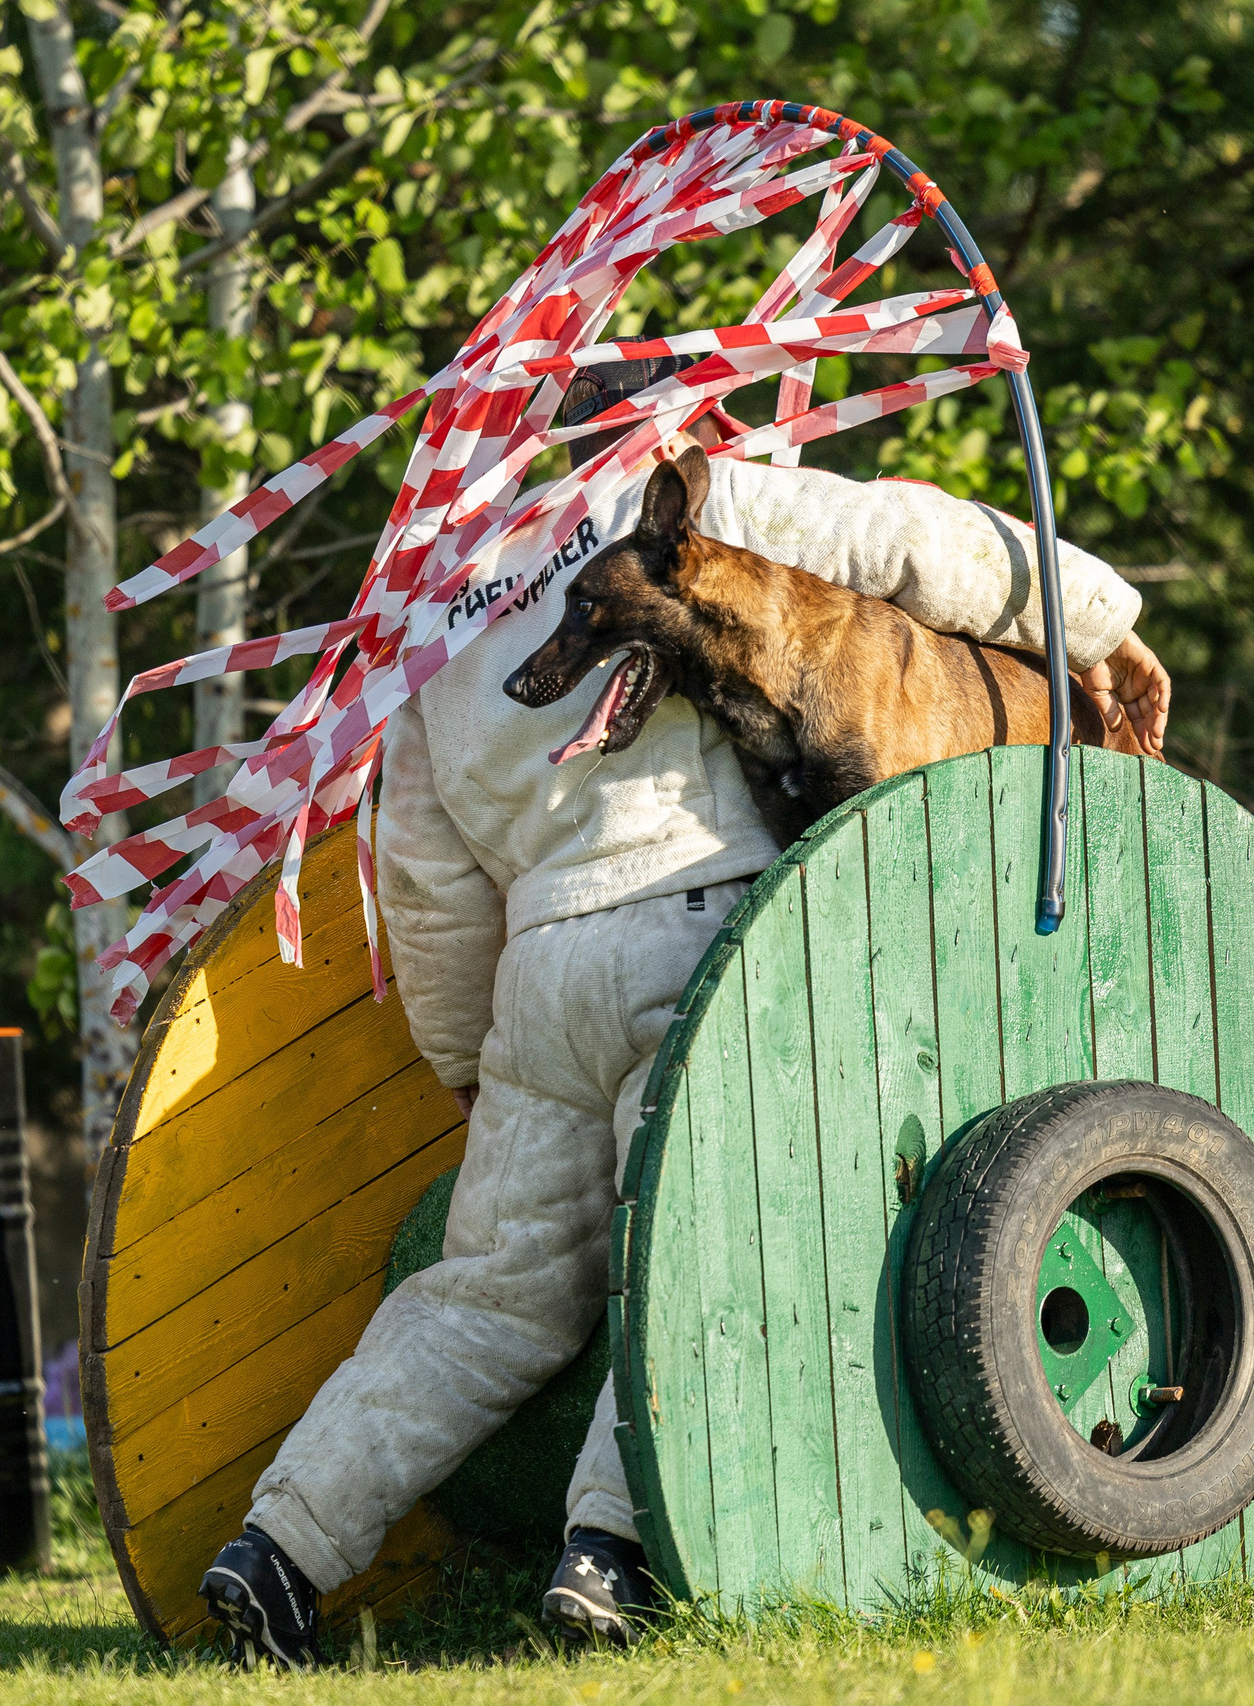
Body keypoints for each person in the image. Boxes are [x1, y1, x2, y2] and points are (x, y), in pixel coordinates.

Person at [200, 364, 1170, 1666]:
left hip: (540, 979)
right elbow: (914, 538)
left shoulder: (437, 619)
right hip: (713, 927)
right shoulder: (694, 521)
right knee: (693, 1256)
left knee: (487, 1290)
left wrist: (467, 1068)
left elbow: (426, 886)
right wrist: (1102, 618)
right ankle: (606, 1552)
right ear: (661, 423)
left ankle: (280, 1547)